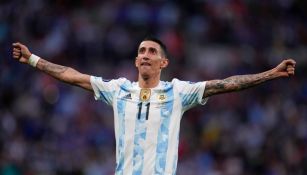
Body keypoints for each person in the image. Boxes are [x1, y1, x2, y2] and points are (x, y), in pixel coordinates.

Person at [12, 37, 296, 175]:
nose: (145, 55)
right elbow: (71, 75)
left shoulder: (178, 92)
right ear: (136, 61)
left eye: (152, 51)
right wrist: (33, 59)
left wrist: (271, 73)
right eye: (141, 51)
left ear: (164, 63)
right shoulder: (118, 89)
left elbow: (227, 83)